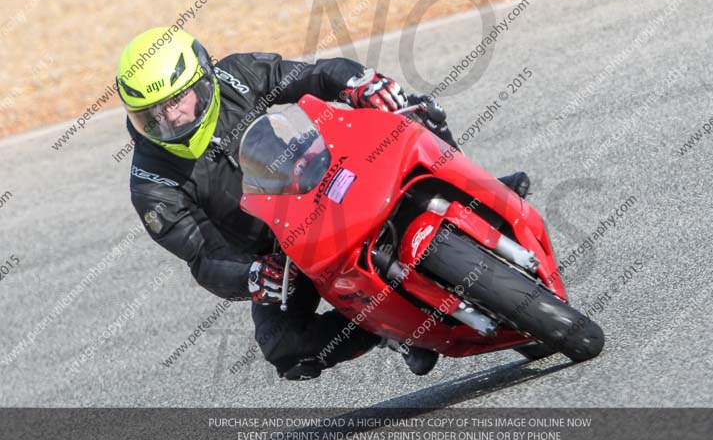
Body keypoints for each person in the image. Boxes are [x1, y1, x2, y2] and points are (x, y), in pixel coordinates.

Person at [118, 27, 530, 380]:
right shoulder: (152, 182)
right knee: (285, 349)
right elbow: (202, 259)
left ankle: (481, 192)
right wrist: (252, 275)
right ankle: (391, 329)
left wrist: (360, 84)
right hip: (282, 252)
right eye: (150, 113)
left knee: (416, 110)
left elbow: (313, 75)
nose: (170, 118)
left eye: (177, 100)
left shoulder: (236, 75)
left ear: (204, 77)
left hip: (323, 173)